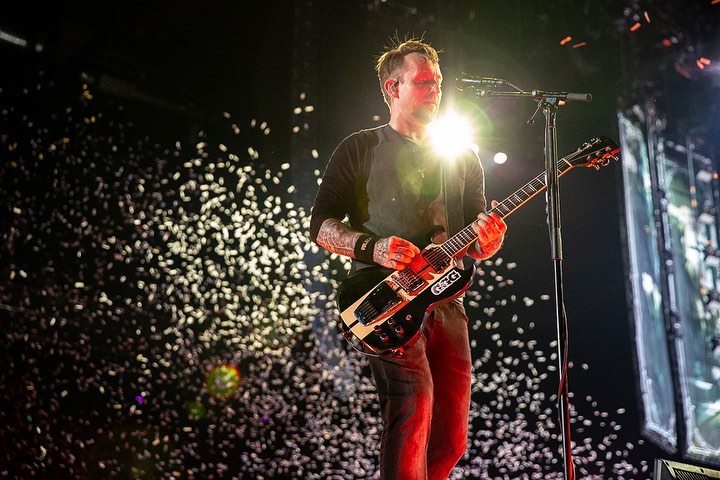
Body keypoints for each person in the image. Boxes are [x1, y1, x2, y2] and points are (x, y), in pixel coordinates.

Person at [309, 38, 506, 480]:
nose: (435, 90)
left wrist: (488, 242)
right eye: (423, 82)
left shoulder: (462, 156)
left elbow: (475, 238)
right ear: (392, 88)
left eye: (437, 82)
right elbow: (320, 225)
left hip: (448, 303)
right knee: (413, 413)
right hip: (386, 300)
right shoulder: (359, 148)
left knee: (451, 440)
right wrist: (373, 247)